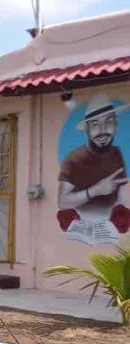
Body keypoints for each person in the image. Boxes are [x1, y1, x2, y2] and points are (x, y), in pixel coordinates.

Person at [57, 93, 129, 243]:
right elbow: (63, 201)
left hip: (106, 229)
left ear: (115, 125)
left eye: (108, 122)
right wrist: (96, 190)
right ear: (87, 129)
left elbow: (120, 193)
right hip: (82, 225)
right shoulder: (74, 159)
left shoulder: (116, 153)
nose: (103, 130)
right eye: (95, 124)